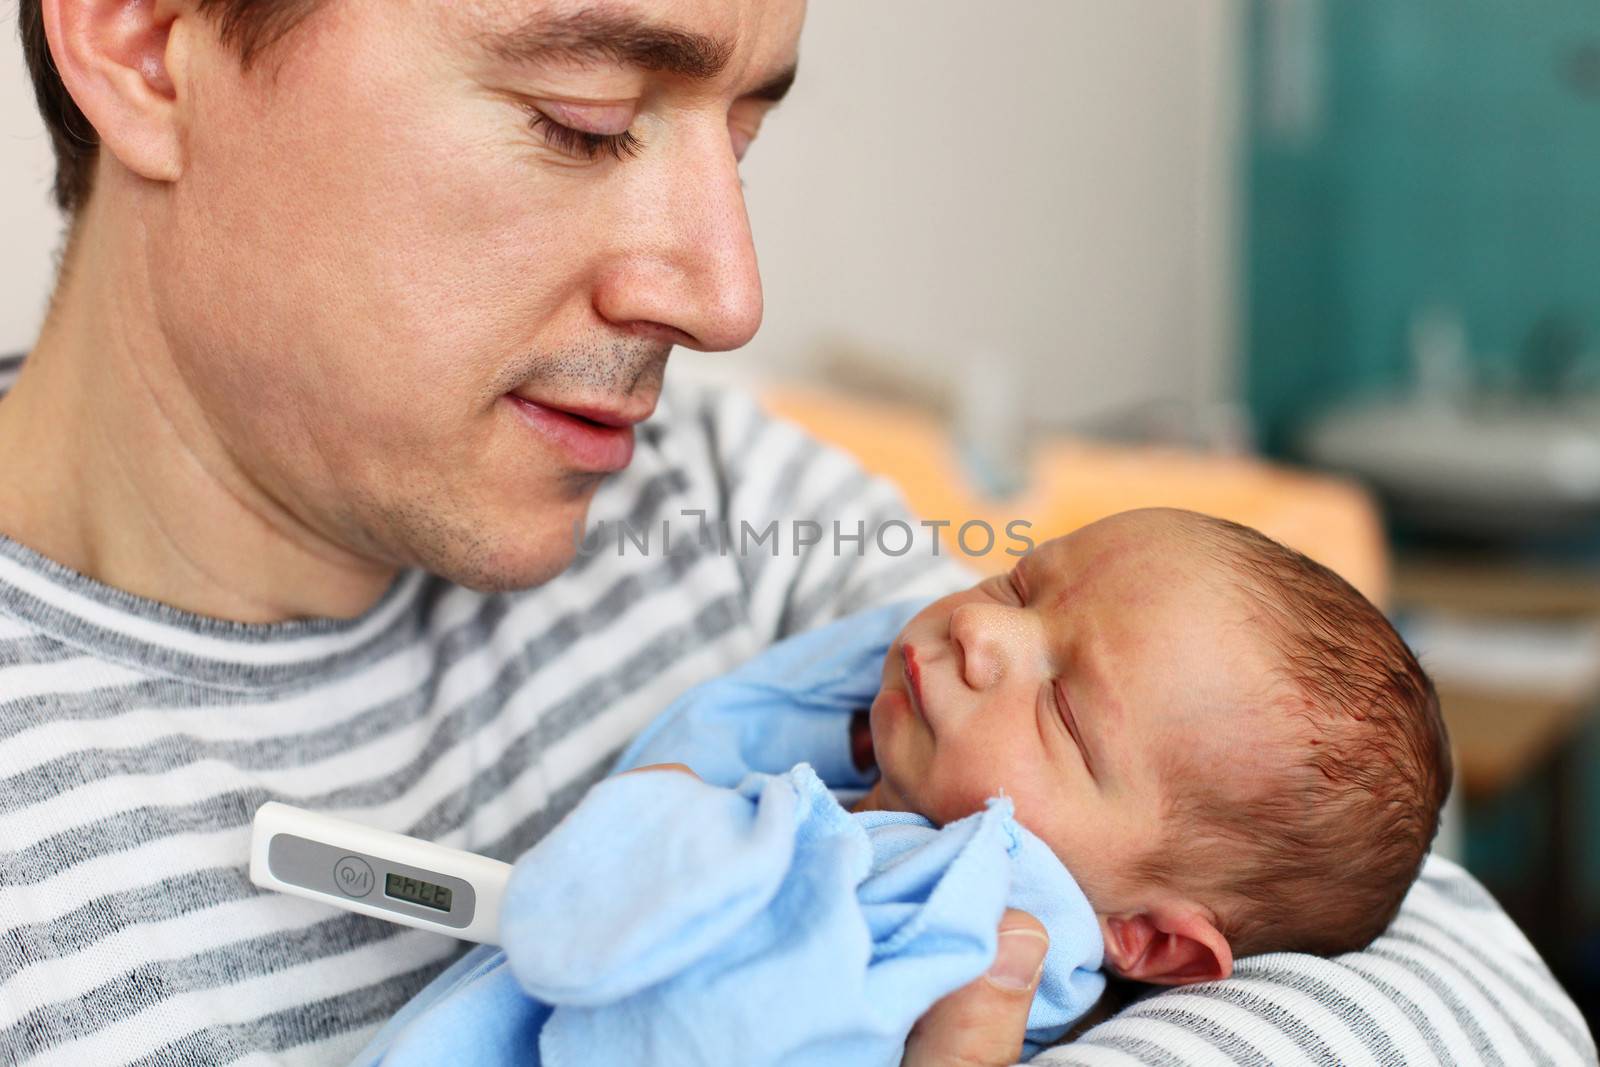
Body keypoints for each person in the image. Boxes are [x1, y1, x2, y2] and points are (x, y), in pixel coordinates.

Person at [0, 1, 1591, 1065]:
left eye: (742, 134)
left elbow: (1463, 985)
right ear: (146, 42)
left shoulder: (708, 493)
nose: (726, 293)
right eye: (582, 116)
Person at [347, 508, 1448, 1066]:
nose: (979, 630)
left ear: (1150, 941)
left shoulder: (963, 917)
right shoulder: (906, 802)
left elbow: (702, 1026)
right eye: (1022, 579)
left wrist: (680, 824)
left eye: (1061, 707)